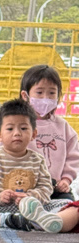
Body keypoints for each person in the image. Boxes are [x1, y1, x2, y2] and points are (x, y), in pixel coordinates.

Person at [0, 98, 73, 231]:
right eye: (10, 128)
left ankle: (38, 220)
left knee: (67, 204)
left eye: (23, 128)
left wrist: (31, 197)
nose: (17, 133)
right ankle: (7, 220)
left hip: (31, 208)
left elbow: (46, 187)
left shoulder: (37, 160)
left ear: (34, 134)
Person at [20, 64, 79, 200]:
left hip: (56, 188)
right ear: (25, 95)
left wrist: (66, 180)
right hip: (25, 188)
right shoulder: (18, 124)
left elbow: (73, 156)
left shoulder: (63, 126)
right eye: (39, 92)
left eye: (52, 93)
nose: (45, 97)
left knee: (68, 204)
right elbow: (4, 153)